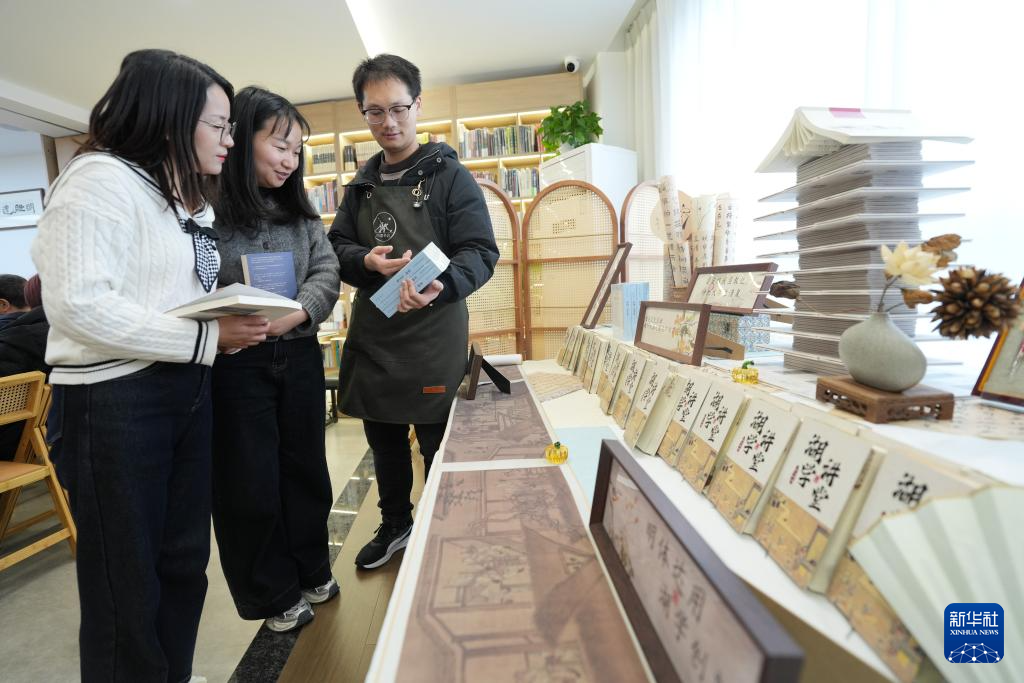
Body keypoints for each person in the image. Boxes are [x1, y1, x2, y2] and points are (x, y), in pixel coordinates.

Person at [31, 49, 270, 683]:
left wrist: (221, 328)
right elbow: (79, 306)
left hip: (183, 389)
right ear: (170, 120)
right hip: (113, 401)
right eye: (218, 125)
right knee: (125, 583)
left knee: (183, 563)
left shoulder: (181, 198)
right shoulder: (98, 180)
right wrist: (204, 339)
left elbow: (167, 296)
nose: (229, 140)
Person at [329, 54, 498, 570]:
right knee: (383, 439)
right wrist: (366, 261)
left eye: (398, 108)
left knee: (436, 441)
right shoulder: (361, 184)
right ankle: (396, 524)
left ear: (418, 105)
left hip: (432, 333)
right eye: (375, 112)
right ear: (363, 112)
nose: (389, 122)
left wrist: (441, 286)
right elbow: (335, 247)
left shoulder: (450, 176)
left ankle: (447, 527)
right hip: (376, 333)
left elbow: (480, 252)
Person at [211, 86, 341, 633]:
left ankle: (311, 566)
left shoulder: (300, 212)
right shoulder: (208, 213)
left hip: (299, 353)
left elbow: (327, 269)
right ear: (242, 141)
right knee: (250, 481)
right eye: (279, 146)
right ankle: (272, 592)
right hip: (237, 362)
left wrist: (297, 313)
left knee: (306, 469)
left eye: (296, 151)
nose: (289, 161)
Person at [0, 274, 49, 460]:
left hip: (9, 444)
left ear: (3, 305)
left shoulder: (12, 342)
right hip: (43, 437)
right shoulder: (61, 336)